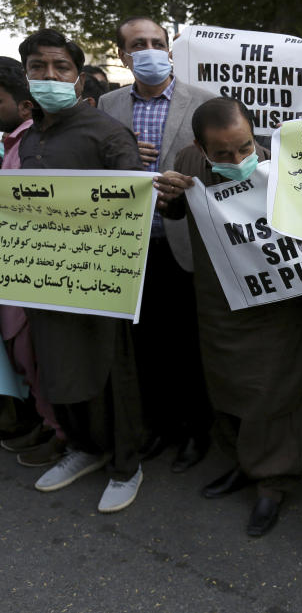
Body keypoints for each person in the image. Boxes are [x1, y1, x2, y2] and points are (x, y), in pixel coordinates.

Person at [154, 97, 302, 537]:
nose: (237, 160)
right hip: (216, 301)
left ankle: (273, 485)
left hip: (274, 305)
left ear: (254, 135)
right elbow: (179, 212)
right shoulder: (188, 161)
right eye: (221, 154)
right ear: (200, 148)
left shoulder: (280, 165)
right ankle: (245, 465)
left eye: (244, 148)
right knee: (228, 388)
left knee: (274, 396)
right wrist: (168, 197)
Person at [18, 28, 145, 513]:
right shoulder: (31, 137)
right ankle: (85, 449)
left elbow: (134, 200)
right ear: (27, 73)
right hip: (44, 277)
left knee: (109, 372)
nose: (49, 76)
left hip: (101, 278)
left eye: (61, 68)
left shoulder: (107, 133)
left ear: (76, 77)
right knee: (58, 368)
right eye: (38, 68)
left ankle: (125, 464)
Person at [99, 16, 215, 473]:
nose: (149, 49)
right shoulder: (106, 105)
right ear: (124, 55)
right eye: (137, 44)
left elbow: (228, 162)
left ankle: (195, 431)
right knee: (145, 346)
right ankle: (159, 426)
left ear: (168, 49)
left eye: (156, 42)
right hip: (130, 248)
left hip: (184, 245)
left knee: (188, 344)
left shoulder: (204, 101)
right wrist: (123, 161)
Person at [0, 62, 66, 468]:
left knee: (37, 357)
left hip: (33, 273)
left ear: (25, 107)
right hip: (17, 269)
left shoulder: (32, 146)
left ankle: (61, 432)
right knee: (26, 358)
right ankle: (48, 423)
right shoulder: (14, 143)